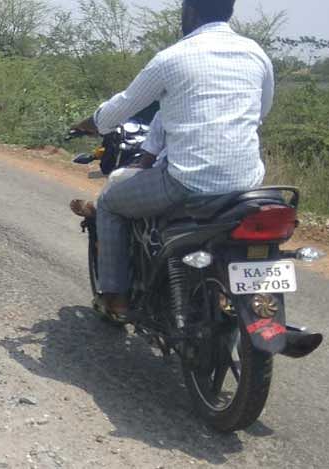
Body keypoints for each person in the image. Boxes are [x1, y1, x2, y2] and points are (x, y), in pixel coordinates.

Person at [71, 0, 275, 317]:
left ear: (189, 11)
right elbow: (260, 113)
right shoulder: (256, 54)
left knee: (110, 202)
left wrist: (92, 123)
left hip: (186, 182)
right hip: (246, 184)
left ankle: (116, 298)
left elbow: (123, 105)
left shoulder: (172, 58)